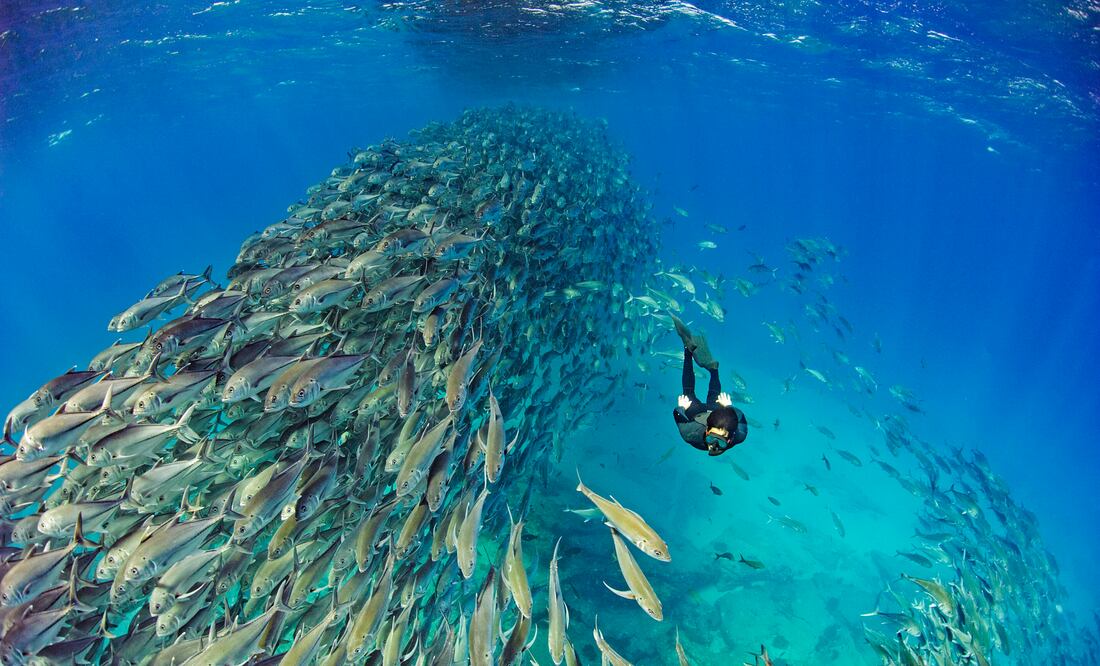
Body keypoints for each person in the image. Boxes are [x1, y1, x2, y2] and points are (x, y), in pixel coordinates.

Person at [671, 315, 748, 456]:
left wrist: (682, 407)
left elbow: (677, 413)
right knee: (711, 396)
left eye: (722, 442)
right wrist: (728, 407)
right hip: (705, 416)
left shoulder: (689, 433)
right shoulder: (740, 433)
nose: (714, 446)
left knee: (688, 394)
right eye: (711, 438)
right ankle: (712, 368)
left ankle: (688, 350)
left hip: (697, 415)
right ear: (706, 431)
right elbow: (739, 415)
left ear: (730, 439)